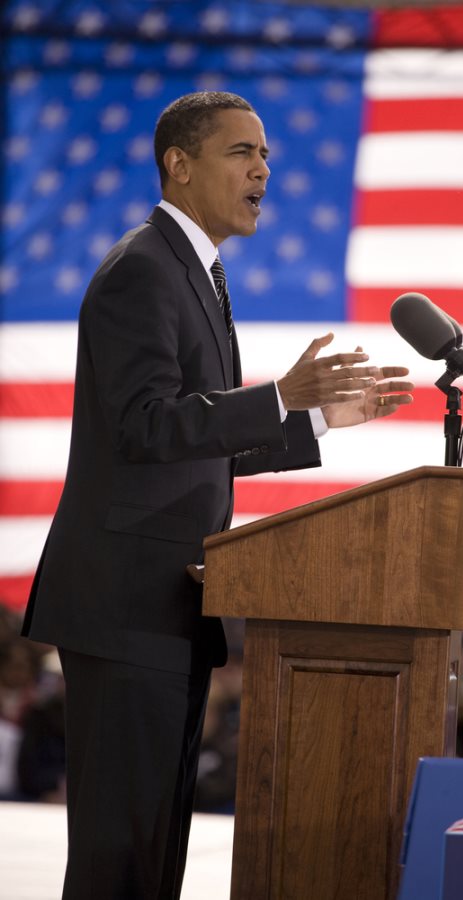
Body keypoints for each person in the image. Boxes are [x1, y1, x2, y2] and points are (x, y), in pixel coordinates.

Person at [21, 91, 414, 899]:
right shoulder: (144, 269)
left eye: (266, 154)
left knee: (153, 851)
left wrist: (314, 421)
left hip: (166, 610)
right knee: (119, 858)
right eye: (243, 152)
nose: (263, 169)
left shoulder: (194, 270)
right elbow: (144, 426)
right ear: (180, 163)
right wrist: (275, 397)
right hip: (126, 606)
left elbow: (190, 451)